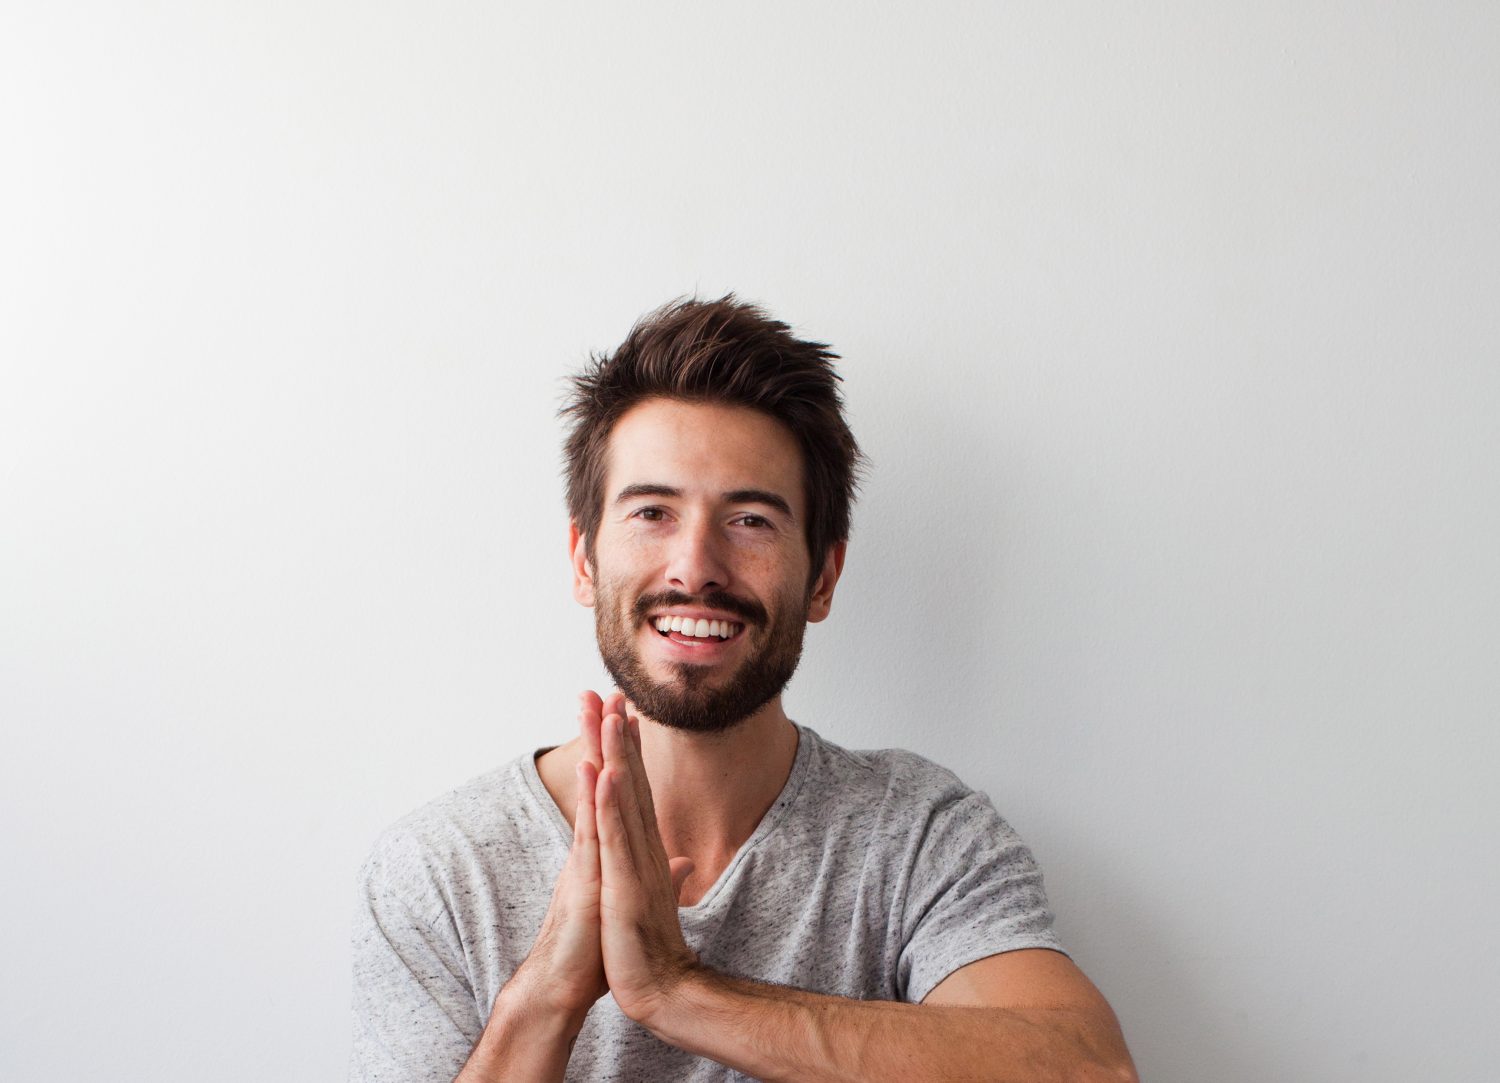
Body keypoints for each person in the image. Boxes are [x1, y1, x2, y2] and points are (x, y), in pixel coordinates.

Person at [349, 297, 1137, 1082]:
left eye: (751, 519)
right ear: (584, 560)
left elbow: (1089, 1071)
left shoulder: (919, 836)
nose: (696, 567)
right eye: (653, 511)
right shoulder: (442, 867)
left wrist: (678, 990)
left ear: (823, 576)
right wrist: (547, 993)